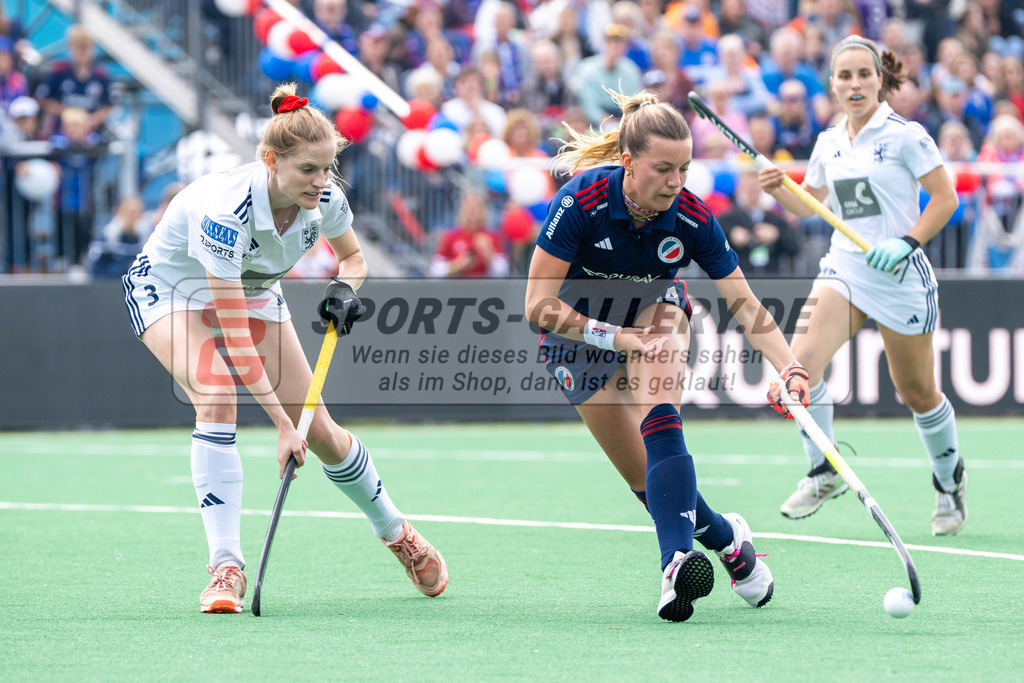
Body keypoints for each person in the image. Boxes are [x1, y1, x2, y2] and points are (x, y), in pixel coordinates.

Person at [121, 84, 448, 613]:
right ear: (271, 161)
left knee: (319, 430)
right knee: (215, 391)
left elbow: (355, 260)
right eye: (307, 171)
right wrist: (279, 424)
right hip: (172, 287)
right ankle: (226, 567)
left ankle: (397, 531)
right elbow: (233, 338)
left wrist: (345, 289)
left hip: (251, 287)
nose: (320, 182)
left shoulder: (326, 201)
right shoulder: (226, 213)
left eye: (327, 169)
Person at [525, 88, 811, 622]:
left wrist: (790, 365)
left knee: (661, 418)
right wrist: (616, 337)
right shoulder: (580, 202)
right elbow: (537, 305)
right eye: (663, 169)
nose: (676, 182)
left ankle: (675, 563)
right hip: (576, 336)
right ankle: (728, 540)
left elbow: (746, 305)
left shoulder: (692, 216)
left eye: (684, 168)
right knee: (645, 483)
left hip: (655, 313)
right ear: (628, 162)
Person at [758, 36, 966, 536]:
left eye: (863, 75)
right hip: (845, 269)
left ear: (879, 80)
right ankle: (824, 469)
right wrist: (779, 190)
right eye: (844, 76)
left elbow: (945, 200)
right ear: (831, 84)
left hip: (900, 278)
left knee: (917, 392)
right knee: (798, 370)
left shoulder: (905, 135)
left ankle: (948, 481)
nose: (854, 85)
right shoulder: (829, 141)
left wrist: (907, 243)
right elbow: (811, 204)